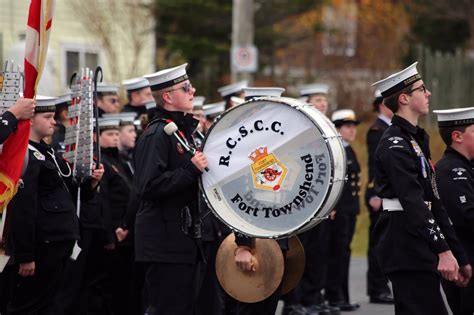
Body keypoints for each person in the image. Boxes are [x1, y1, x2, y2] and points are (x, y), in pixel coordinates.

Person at [372, 62, 469, 315]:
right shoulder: (395, 144)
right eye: (421, 89)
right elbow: (413, 201)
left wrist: (459, 255)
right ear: (404, 98)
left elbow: (434, 201)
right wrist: (443, 251)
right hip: (403, 243)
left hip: (416, 243)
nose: (428, 93)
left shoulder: (414, 139)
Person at [6, 96, 103, 314]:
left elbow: (71, 194)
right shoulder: (24, 155)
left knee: (51, 303)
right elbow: (24, 207)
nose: (54, 122)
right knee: (31, 306)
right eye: (47, 117)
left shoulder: (47, 153)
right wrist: (25, 255)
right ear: (29, 120)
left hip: (59, 241)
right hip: (43, 243)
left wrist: (92, 183)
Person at [135, 63, 208, 315]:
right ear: (167, 97)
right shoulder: (156, 134)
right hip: (164, 243)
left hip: (183, 240)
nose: (193, 90)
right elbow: (147, 186)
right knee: (167, 308)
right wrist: (190, 170)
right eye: (186, 87)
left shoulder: (181, 132)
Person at [433, 107, 474, 315]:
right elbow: (465, 217)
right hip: (466, 259)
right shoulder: (450, 170)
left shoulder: (468, 167)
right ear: (457, 136)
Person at [325, 109, 360, 312]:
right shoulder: (337, 150)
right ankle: (334, 295)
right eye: (347, 127)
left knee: (344, 253)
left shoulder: (349, 149)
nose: (352, 130)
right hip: (339, 210)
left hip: (349, 209)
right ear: (337, 129)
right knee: (337, 253)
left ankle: (342, 295)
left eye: (353, 126)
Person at [365, 90, 394, 304]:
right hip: (379, 194)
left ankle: (381, 286)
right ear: (382, 105)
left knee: (385, 242)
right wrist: (375, 193)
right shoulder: (378, 130)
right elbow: (376, 166)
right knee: (378, 243)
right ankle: (377, 288)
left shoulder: (388, 128)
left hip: (385, 193)